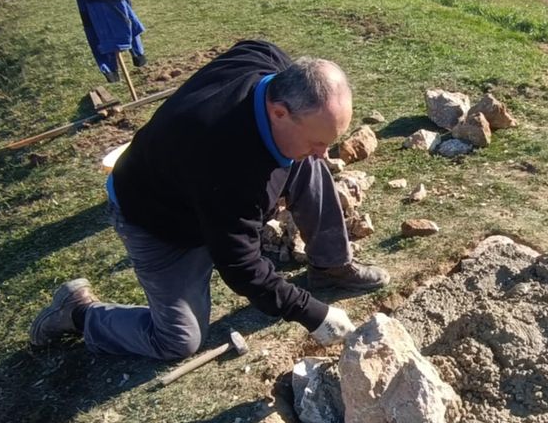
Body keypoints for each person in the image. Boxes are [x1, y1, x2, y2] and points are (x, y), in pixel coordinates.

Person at [29, 40, 388, 358]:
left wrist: (306, 149)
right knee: (178, 340)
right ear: (279, 112)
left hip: (202, 182)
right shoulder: (225, 163)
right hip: (158, 217)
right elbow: (241, 266)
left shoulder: (267, 63)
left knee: (309, 168)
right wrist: (311, 313)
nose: (325, 153)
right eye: (317, 141)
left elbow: (249, 47)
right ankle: (76, 312)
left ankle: (330, 267)